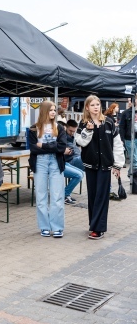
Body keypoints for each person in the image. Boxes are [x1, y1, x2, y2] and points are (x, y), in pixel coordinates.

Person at [75, 95, 124, 240]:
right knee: (92, 196)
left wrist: (118, 165)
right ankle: (93, 224)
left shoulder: (109, 123)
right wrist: (88, 131)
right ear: (87, 107)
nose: (96, 107)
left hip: (105, 166)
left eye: (98, 104)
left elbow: (117, 145)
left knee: (102, 197)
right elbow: (79, 142)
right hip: (90, 165)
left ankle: (98, 228)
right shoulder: (83, 123)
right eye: (93, 105)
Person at [28, 101, 67, 238]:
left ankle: (57, 227)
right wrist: (52, 145)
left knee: (57, 196)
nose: (53, 112)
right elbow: (32, 148)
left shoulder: (59, 128)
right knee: (41, 196)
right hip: (40, 162)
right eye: (51, 110)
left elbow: (62, 147)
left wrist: (43, 145)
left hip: (55, 162)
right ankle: (44, 226)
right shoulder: (33, 129)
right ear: (44, 111)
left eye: (54, 110)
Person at [58, 120, 84, 205]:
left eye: (74, 131)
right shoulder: (62, 137)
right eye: (70, 131)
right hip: (68, 161)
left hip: (68, 162)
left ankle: (66, 194)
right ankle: (65, 195)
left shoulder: (73, 137)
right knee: (87, 160)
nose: (72, 133)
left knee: (83, 172)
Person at [118, 98, 137, 176]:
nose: (129, 102)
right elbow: (121, 127)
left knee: (135, 159)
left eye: (131, 100)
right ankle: (134, 178)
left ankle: (130, 173)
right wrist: (121, 139)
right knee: (134, 159)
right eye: (128, 100)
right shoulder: (125, 113)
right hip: (129, 138)